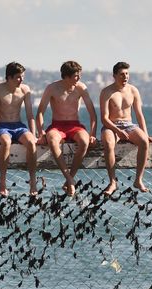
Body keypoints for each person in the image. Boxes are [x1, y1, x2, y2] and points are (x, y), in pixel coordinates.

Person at [36, 61, 97, 196]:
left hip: (74, 125)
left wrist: (92, 133)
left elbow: (92, 113)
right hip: (57, 125)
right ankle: (69, 178)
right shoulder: (52, 88)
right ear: (67, 76)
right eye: (76, 76)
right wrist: (41, 132)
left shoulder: (81, 88)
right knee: (52, 140)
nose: (79, 78)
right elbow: (40, 112)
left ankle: (70, 178)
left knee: (84, 141)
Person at [99, 61, 152, 195]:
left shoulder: (133, 90)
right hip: (111, 126)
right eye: (121, 74)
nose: (125, 77)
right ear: (114, 76)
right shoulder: (106, 92)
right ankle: (112, 182)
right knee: (108, 143)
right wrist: (117, 131)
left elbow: (139, 115)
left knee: (144, 142)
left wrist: (146, 134)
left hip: (129, 125)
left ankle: (138, 180)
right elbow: (104, 118)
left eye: (127, 74)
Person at [0, 62, 38, 197]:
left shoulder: (25, 89)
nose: (21, 80)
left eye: (22, 77)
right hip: (3, 125)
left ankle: (33, 183)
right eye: (18, 77)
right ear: (9, 77)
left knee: (32, 143)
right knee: (6, 142)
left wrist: (33, 134)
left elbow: (29, 114)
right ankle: (3, 184)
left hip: (18, 125)